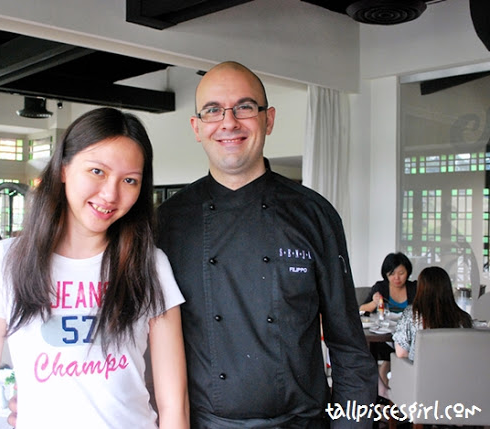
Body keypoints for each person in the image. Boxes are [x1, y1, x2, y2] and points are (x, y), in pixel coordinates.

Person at [155, 61, 376, 427]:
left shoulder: (315, 214)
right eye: (213, 110)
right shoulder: (167, 222)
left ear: (268, 120)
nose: (229, 122)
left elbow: (350, 350)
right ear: (197, 127)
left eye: (244, 107)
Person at [0, 107, 189, 429]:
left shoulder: (150, 265)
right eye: (97, 171)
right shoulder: (5, 261)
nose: (111, 194)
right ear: (64, 169)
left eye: (129, 180)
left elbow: (174, 402)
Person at [359, 252, 416, 393]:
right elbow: (361, 309)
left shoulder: (414, 288)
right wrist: (374, 302)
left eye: (401, 273)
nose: (396, 278)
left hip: (407, 337)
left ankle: (391, 385)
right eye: (391, 274)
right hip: (384, 336)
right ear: (385, 274)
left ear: (408, 272)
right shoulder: (381, 287)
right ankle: (383, 391)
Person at [393, 266, 472, 361]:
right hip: (456, 373)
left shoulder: (411, 315)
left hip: (421, 374)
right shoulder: (464, 318)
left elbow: (401, 353)